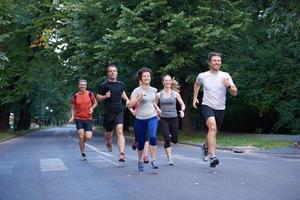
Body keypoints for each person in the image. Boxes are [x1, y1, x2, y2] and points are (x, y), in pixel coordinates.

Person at [193, 52, 238, 167]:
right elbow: (197, 84)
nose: (217, 62)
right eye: (214, 60)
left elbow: (234, 93)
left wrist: (228, 86)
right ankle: (213, 157)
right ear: (209, 63)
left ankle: (205, 146)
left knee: (214, 132)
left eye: (219, 60)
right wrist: (195, 98)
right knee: (212, 128)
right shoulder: (203, 76)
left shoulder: (225, 75)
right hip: (207, 105)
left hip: (220, 108)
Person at [128, 67, 160, 172]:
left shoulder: (154, 90)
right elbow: (130, 105)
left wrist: (157, 109)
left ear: (150, 77)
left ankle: (154, 160)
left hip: (152, 117)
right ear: (140, 79)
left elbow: (153, 102)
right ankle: (140, 160)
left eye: (148, 76)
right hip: (140, 119)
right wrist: (138, 98)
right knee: (141, 142)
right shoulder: (136, 91)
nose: (146, 78)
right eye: (144, 76)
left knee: (153, 136)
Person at [97, 64, 130, 162]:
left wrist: (127, 100)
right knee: (108, 133)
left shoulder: (121, 84)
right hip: (108, 112)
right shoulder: (104, 85)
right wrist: (105, 97)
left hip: (119, 110)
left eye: (114, 71)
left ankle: (122, 154)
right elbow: (97, 97)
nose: (112, 72)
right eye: (110, 71)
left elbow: (122, 94)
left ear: (117, 72)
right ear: (108, 73)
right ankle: (108, 142)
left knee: (120, 131)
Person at [156, 75, 185, 166]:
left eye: (169, 80)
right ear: (163, 82)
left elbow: (182, 104)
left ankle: (172, 136)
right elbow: (154, 104)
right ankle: (169, 158)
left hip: (174, 117)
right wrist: (157, 111)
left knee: (175, 139)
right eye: (166, 80)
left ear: (171, 82)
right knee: (167, 138)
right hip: (163, 118)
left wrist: (182, 111)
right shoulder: (158, 94)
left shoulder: (175, 94)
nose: (168, 82)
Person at [69, 79, 98, 161]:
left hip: (88, 118)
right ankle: (82, 152)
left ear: (86, 86)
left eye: (84, 85)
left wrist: (92, 108)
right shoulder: (75, 96)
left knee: (88, 137)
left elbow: (95, 102)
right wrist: (72, 116)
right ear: (78, 86)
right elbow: (73, 108)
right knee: (81, 136)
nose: (83, 86)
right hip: (79, 118)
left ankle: (82, 142)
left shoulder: (90, 94)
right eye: (81, 85)